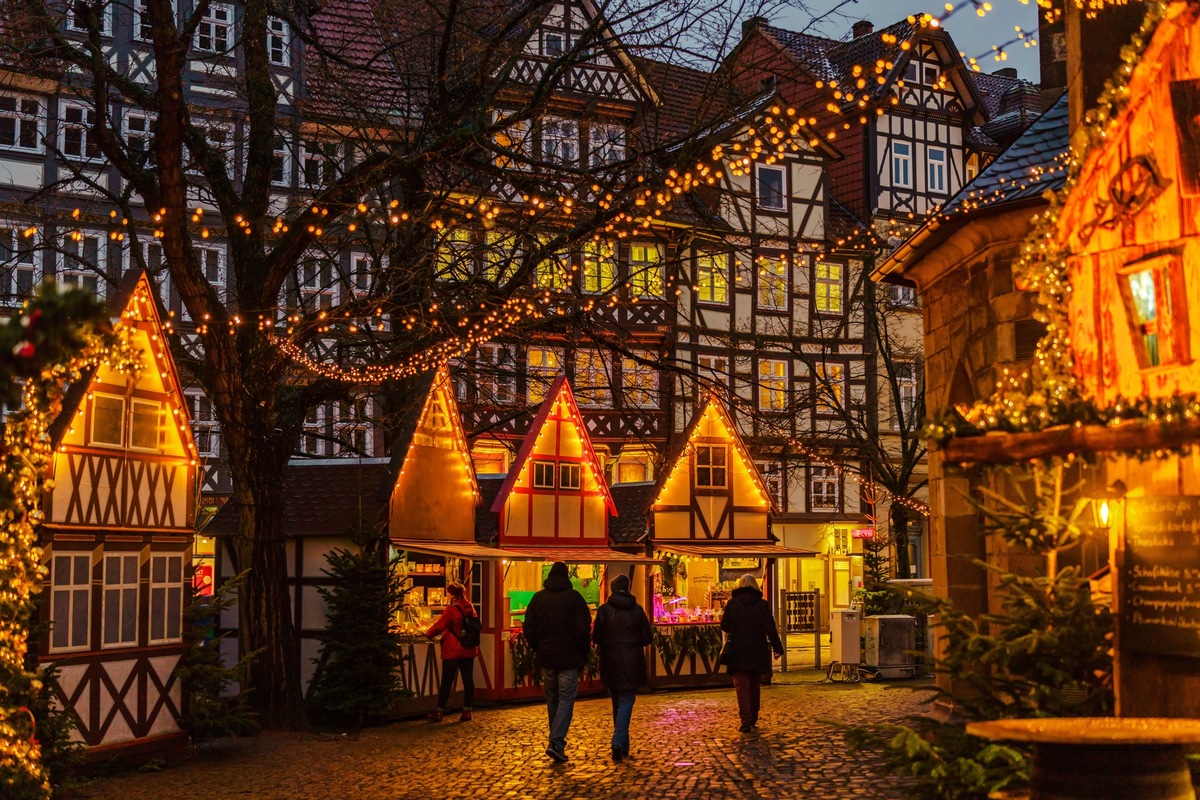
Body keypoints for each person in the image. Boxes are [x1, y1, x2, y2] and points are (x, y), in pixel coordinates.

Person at [521, 561, 591, 763]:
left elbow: (529, 629)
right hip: (569, 659)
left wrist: (538, 647)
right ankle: (556, 741)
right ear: (567, 576)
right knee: (566, 700)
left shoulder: (538, 599)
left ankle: (556, 741)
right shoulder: (575, 599)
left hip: (547, 658)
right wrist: (582, 653)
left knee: (552, 701)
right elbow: (582, 630)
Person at [591, 573, 653, 763]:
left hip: (610, 660)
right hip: (632, 660)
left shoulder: (604, 611)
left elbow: (597, 638)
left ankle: (622, 745)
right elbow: (647, 637)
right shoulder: (637, 610)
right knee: (626, 701)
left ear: (611, 588)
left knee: (617, 702)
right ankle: (619, 743)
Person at [719, 574, 784, 732]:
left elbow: (725, 626)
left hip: (738, 650)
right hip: (757, 649)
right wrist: (778, 648)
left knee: (741, 686)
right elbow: (770, 628)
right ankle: (753, 717)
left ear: (740, 585)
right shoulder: (762, 605)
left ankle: (746, 720)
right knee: (754, 685)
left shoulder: (732, 604)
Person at [423, 581, 479, 722]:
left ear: (451, 594)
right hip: (468, 649)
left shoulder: (451, 610)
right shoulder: (470, 607)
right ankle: (467, 710)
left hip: (453, 649)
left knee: (447, 681)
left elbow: (439, 626)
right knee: (468, 680)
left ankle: (440, 711)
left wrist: (427, 633)